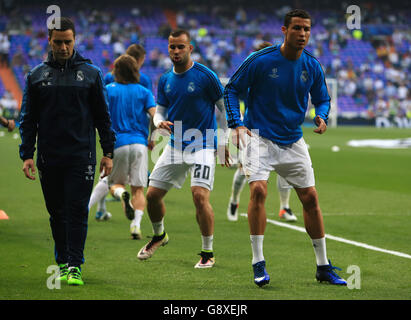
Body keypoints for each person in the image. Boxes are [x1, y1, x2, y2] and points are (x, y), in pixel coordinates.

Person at [224, 9, 346, 287]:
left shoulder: (312, 66)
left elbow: (323, 98)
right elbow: (231, 89)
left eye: (307, 29)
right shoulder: (260, 60)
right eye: (297, 28)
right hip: (259, 137)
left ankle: (323, 267)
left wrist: (322, 115)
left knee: (311, 199)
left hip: (293, 139)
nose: (302, 34)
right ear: (284, 30)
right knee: (257, 190)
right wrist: (236, 123)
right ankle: (258, 262)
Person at [19, 17, 115, 286]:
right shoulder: (36, 76)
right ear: (49, 40)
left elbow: (102, 117)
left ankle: (74, 265)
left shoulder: (91, 74)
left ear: (75, 41)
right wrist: (27, 153)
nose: (63, 47)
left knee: (76, 211)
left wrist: (108, 152)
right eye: (58, 41)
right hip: (49, 158)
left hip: (81, 156)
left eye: (68, 42)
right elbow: (28, 119)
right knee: (57, 213)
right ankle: (62, 261)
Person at [137, 29, 230, 268]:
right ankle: (159, 236)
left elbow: (224, 109)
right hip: (176, 145)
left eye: (180, 47)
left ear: (190, 48)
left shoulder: (205, 76)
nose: (176, 51)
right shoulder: (166, 79)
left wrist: (223, 142)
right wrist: (159, 123)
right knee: (152, 196)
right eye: (172, 47)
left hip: (204, 145)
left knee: (199, 196)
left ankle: (207, 252)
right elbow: (160, 111)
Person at [227, 41, 297, 223]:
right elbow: (233, 94)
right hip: (253, 130)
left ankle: (285, 207)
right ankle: (234, 200)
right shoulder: (249, 77)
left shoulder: (279, 77)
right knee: (244, 171)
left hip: (279, 130)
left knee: (285, 170)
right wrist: (237, 125)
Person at [89, 54, 156, 240]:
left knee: (113, 184)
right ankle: (136, 225)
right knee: (139, 189)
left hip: (117, 144)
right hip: (140, 144)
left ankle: (120, 193)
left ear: (116, 71)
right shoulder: (144, 92)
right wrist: (152, 136)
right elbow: (154, 116)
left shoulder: (109, 90)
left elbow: (97, 115)